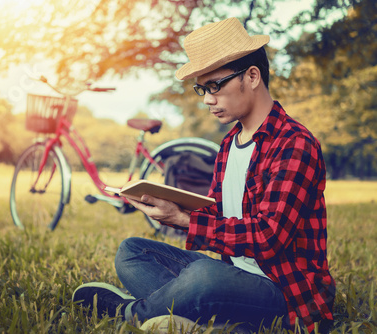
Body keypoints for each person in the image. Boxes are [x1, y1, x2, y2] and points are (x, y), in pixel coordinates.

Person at [72, 17, 336, 333]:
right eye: (202, 88)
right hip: (232, 275)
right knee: (132, 251)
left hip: (284, 290)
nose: (207, 99)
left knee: (203, 279)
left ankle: (132, 312)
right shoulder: (228, 145)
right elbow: (222, 214)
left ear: (252, 76)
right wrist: (173, 206)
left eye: (215, 86)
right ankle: (208, 319)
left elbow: (269, 238)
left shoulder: (294, 143)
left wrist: (185, 222)